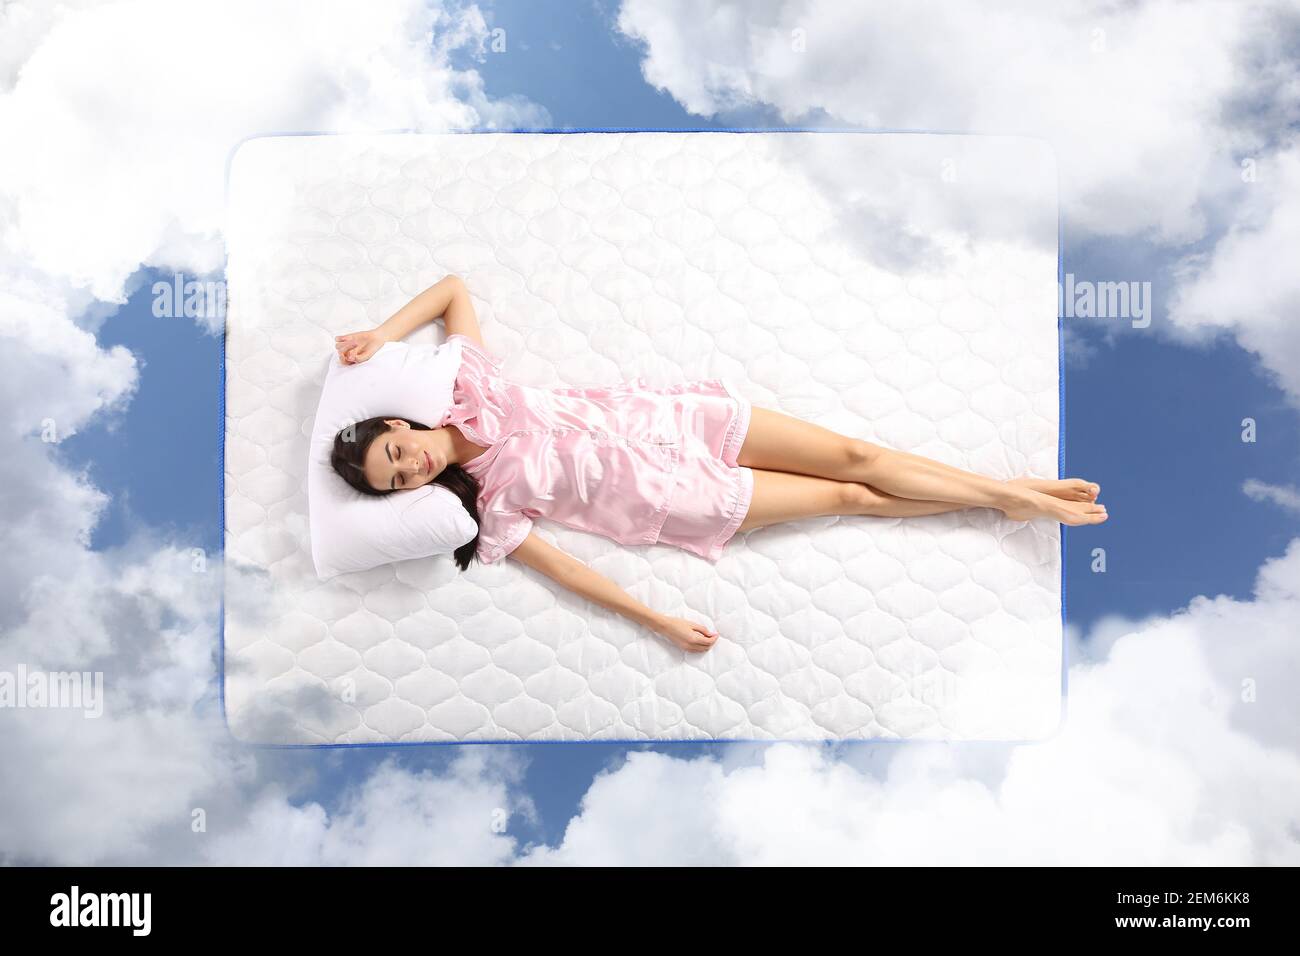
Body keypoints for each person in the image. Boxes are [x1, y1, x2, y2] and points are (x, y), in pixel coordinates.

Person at [332, 276, 1105, 653]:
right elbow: (567, 571)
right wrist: (656, 620)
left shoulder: (473, 386)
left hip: (681, 419)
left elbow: (452, 288)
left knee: (858, 454)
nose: (414, 465)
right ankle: (1006, 501)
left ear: (402, 422)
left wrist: (379, 331)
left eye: (397, 451)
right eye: (402, 479)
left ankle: (1008, 496)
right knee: (851, 495)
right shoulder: (483, 506)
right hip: (677, 495)